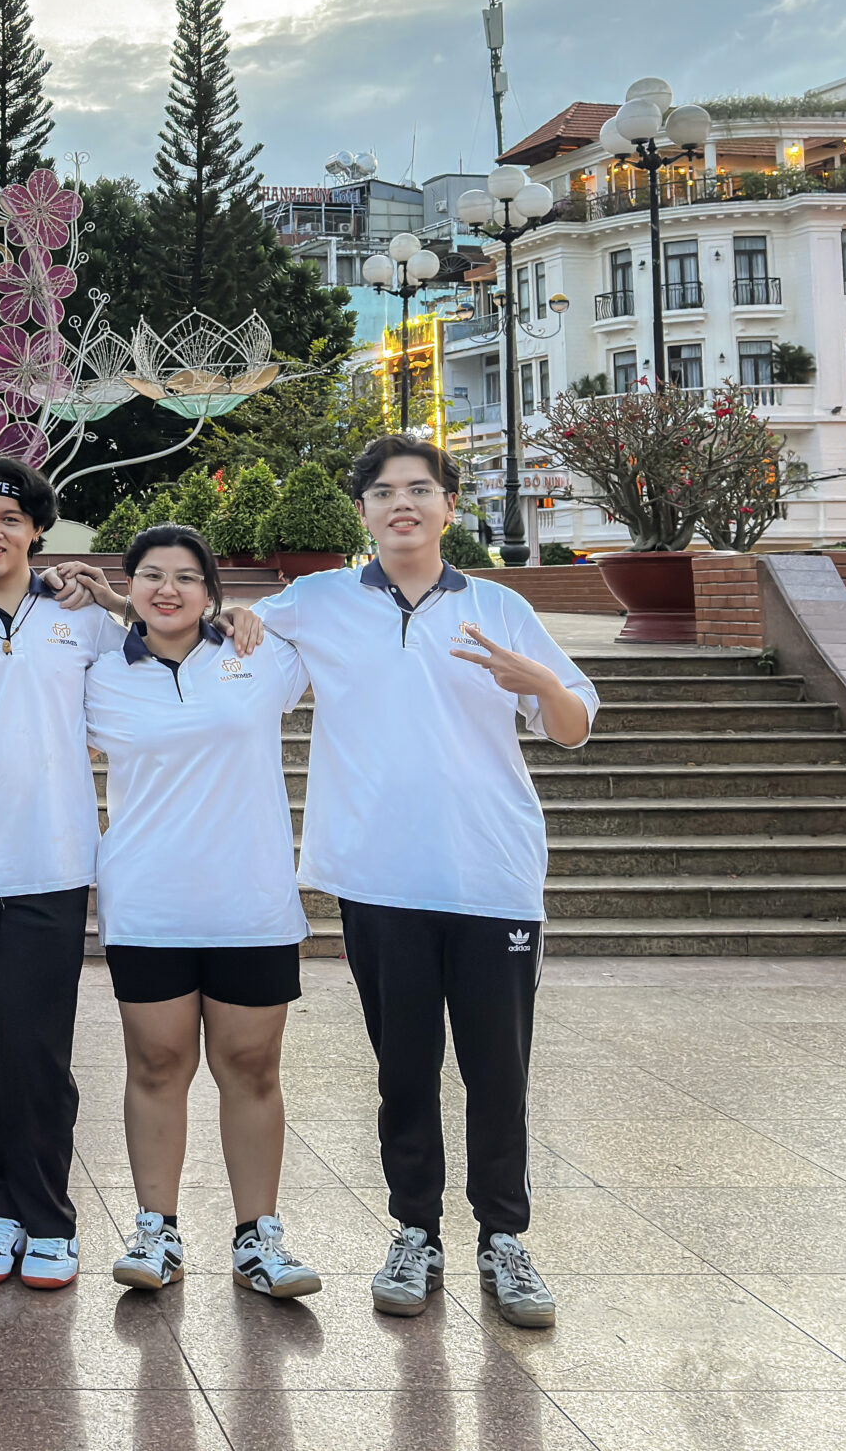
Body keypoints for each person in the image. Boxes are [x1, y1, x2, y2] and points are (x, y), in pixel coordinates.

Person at [259, 437, 597, 1329]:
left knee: (498, 1073)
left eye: (419, 489)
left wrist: (537, 680)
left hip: (492, 876)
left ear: (450, 505)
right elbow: (222, 626)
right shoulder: (319, 601)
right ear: (362, 511)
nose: (400, 503)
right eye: (382, 491)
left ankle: (504, 1238)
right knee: (403, 1071)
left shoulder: (498, 607)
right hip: (380, 879)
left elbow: (572, 726)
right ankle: (416, 1231)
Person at [0, 457, 261, 1291]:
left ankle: (48, 1217)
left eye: (10, 517)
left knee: (35, 1051)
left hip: (55, 867)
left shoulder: (82, 620)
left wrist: (218, 611)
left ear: (37, 529)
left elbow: (168, 633)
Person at [83, 522, 322, 1299]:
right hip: (147, 903)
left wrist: (247, 614)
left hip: (250, 902)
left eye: (187, 576)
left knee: (251, 1068)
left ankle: (259, 1237)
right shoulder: (98, 675)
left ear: (212, 592)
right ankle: (157, 1231)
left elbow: (321, 617)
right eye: (151, 574)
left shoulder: (262, 655)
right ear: (130, 589)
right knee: (157, 1066)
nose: (169, 588)